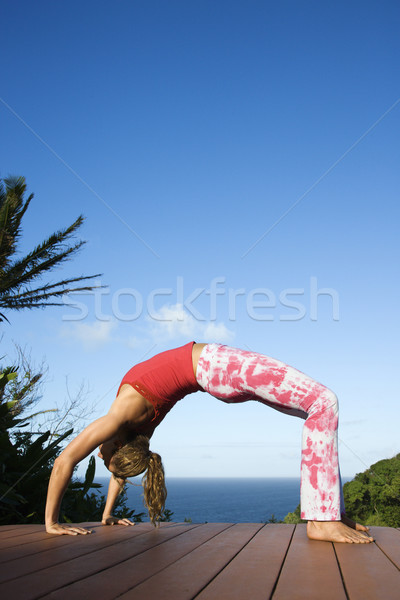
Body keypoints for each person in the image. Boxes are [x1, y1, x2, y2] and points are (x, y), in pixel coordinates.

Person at [45, 342, 373, 543]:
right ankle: (322, 520)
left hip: (216, 375)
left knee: (317, 408)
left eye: (103, 459)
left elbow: (104, 467)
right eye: (104, 458)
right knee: (323, 403)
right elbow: (65, 462)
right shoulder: (122, 422)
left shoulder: (132, 427)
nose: (98, 455)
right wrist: (52, 523)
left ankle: (330, 512)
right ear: (118, 444)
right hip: (217, 367)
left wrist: (105, 516)